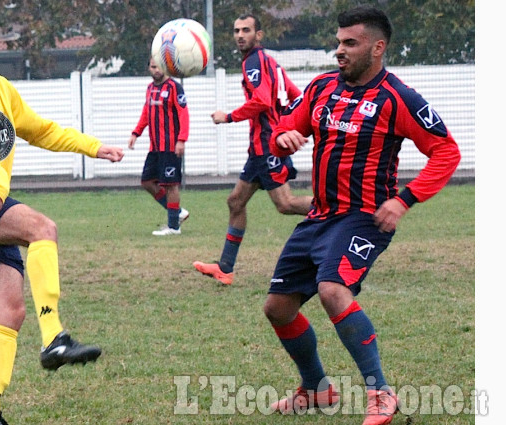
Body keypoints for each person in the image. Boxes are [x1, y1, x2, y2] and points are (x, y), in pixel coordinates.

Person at [0, 8, 124, 425]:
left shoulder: (0, 88)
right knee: (42, 228)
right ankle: (55, 338)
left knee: (10, 311)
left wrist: (93, 147)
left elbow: (40, 129)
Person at [264, 6, 461, 425]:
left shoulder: (398, 97)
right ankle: (316, 389)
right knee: (277, 308)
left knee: (333, 289)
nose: (339, 51)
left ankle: (381, 393)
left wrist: (404, 199)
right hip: (319, 217)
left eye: (349, 43)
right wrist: (284, 139)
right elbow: (283, 132)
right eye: (338, 42)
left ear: (377, 47)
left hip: (363, 218)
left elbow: (446, 151)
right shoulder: (321, 88)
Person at [192, 14, 312, 285]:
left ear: (259, 34)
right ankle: (225, 267)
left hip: (267, 146)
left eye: (246, 30)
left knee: (286, 204)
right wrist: (289, 124)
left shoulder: (254, 62)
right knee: (235, 201)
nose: (240, 35)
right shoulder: (270, 62)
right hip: (260, 146)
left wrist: (229, 116)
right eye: (236, 30)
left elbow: (261, 100)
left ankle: (341, 212)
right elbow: (297, 97)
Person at [129, 58, 190, 236]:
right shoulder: (150, 89)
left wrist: (182, 140)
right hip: (155, 147)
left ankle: (173, 227)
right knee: (147, 182)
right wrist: (136, 133)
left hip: (170, 146)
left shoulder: (174, 88)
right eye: (153, 66)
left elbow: (184, 115)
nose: (156, 70)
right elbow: (146, 114)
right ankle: (177, 212)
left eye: (159, 67)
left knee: (171, 185)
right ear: (149, 68)